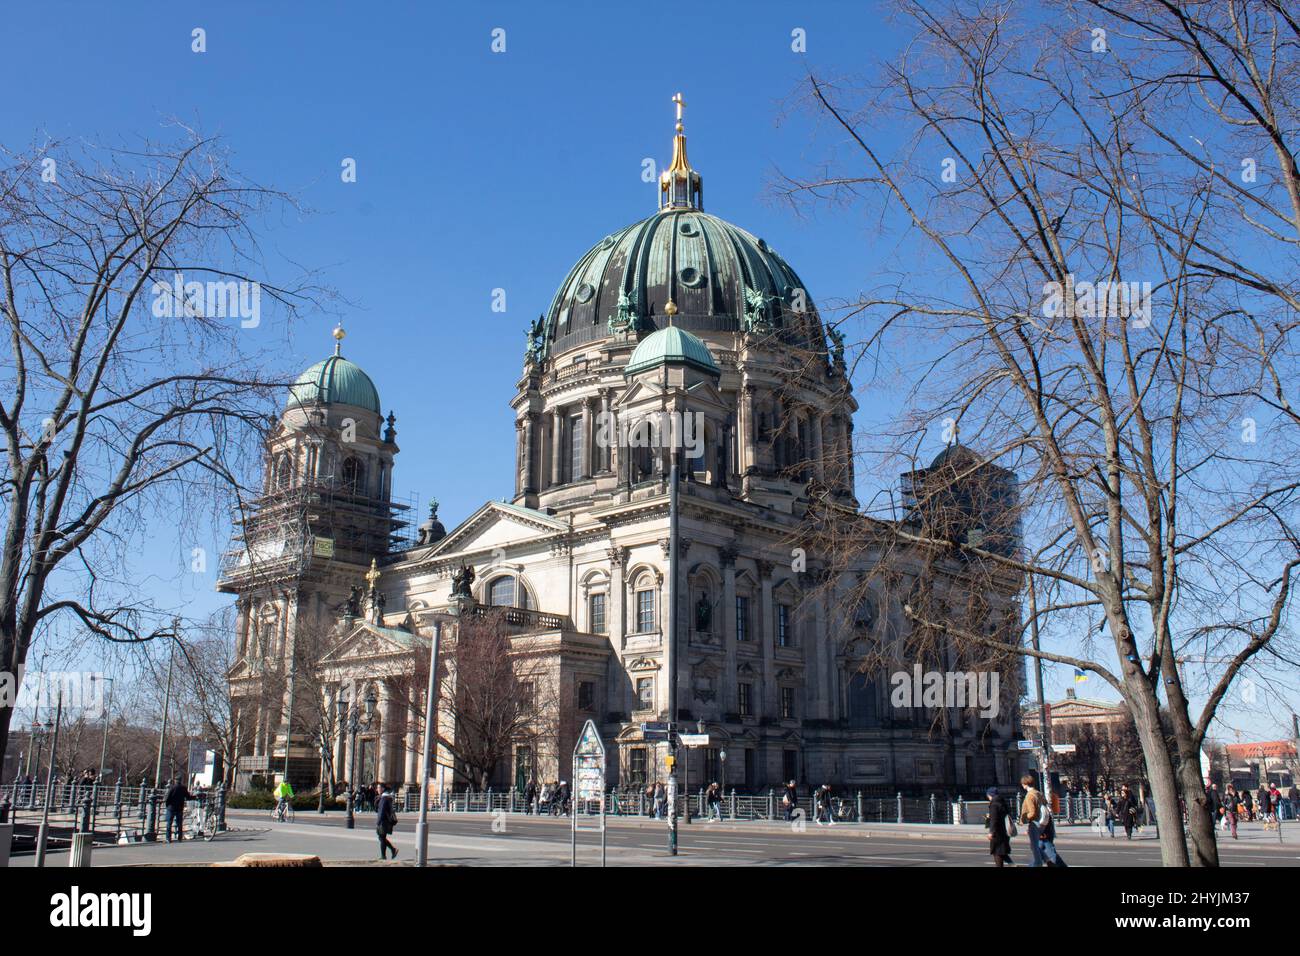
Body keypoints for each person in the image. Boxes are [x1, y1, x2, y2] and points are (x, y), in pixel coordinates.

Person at [1018, 773, 1045, 867]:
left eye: (1022, 783)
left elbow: (1032, 812)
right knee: (1039, 844)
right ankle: (1040, 861)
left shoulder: (1029, 796)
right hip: (1042, 822)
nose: (1022, 785)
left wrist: (1025, 818)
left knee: (1034, 846)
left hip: (1034, 823)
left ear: (1025, 784)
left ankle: (1037, 864)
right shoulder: (1038, 793)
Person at [985, 787, 1014, 867]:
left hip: (997, 833)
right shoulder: (1002, 802)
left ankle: (1012, 865)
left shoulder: (994, 804)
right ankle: (1013, 865)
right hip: (1005, 831)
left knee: (997, 853)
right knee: (1002, 852)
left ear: (989, 795)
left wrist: (991, 832)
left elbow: (994, 819)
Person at [163, 777, 195, 843]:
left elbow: (167, 798)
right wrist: (195, 797)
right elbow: (188, 797)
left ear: (175, 781)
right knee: (179, 823)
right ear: (181, 781)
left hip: (171, 807)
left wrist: (167, 805)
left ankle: (168, 838)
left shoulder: (172, 788)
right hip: (179, 807)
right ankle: (179, 838)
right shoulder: (183, 788)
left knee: (169, 823)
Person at [376, 781, 398, 860]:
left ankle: (384, 855)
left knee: (382, 838)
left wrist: (378, 821)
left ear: (383, 789)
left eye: (378, 788)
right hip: (385, 821)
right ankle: (391, 850)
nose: (377, 789)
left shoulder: (384, 798)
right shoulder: (385, 797)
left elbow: (381, 811)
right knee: (382, 837)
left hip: (383, 821)